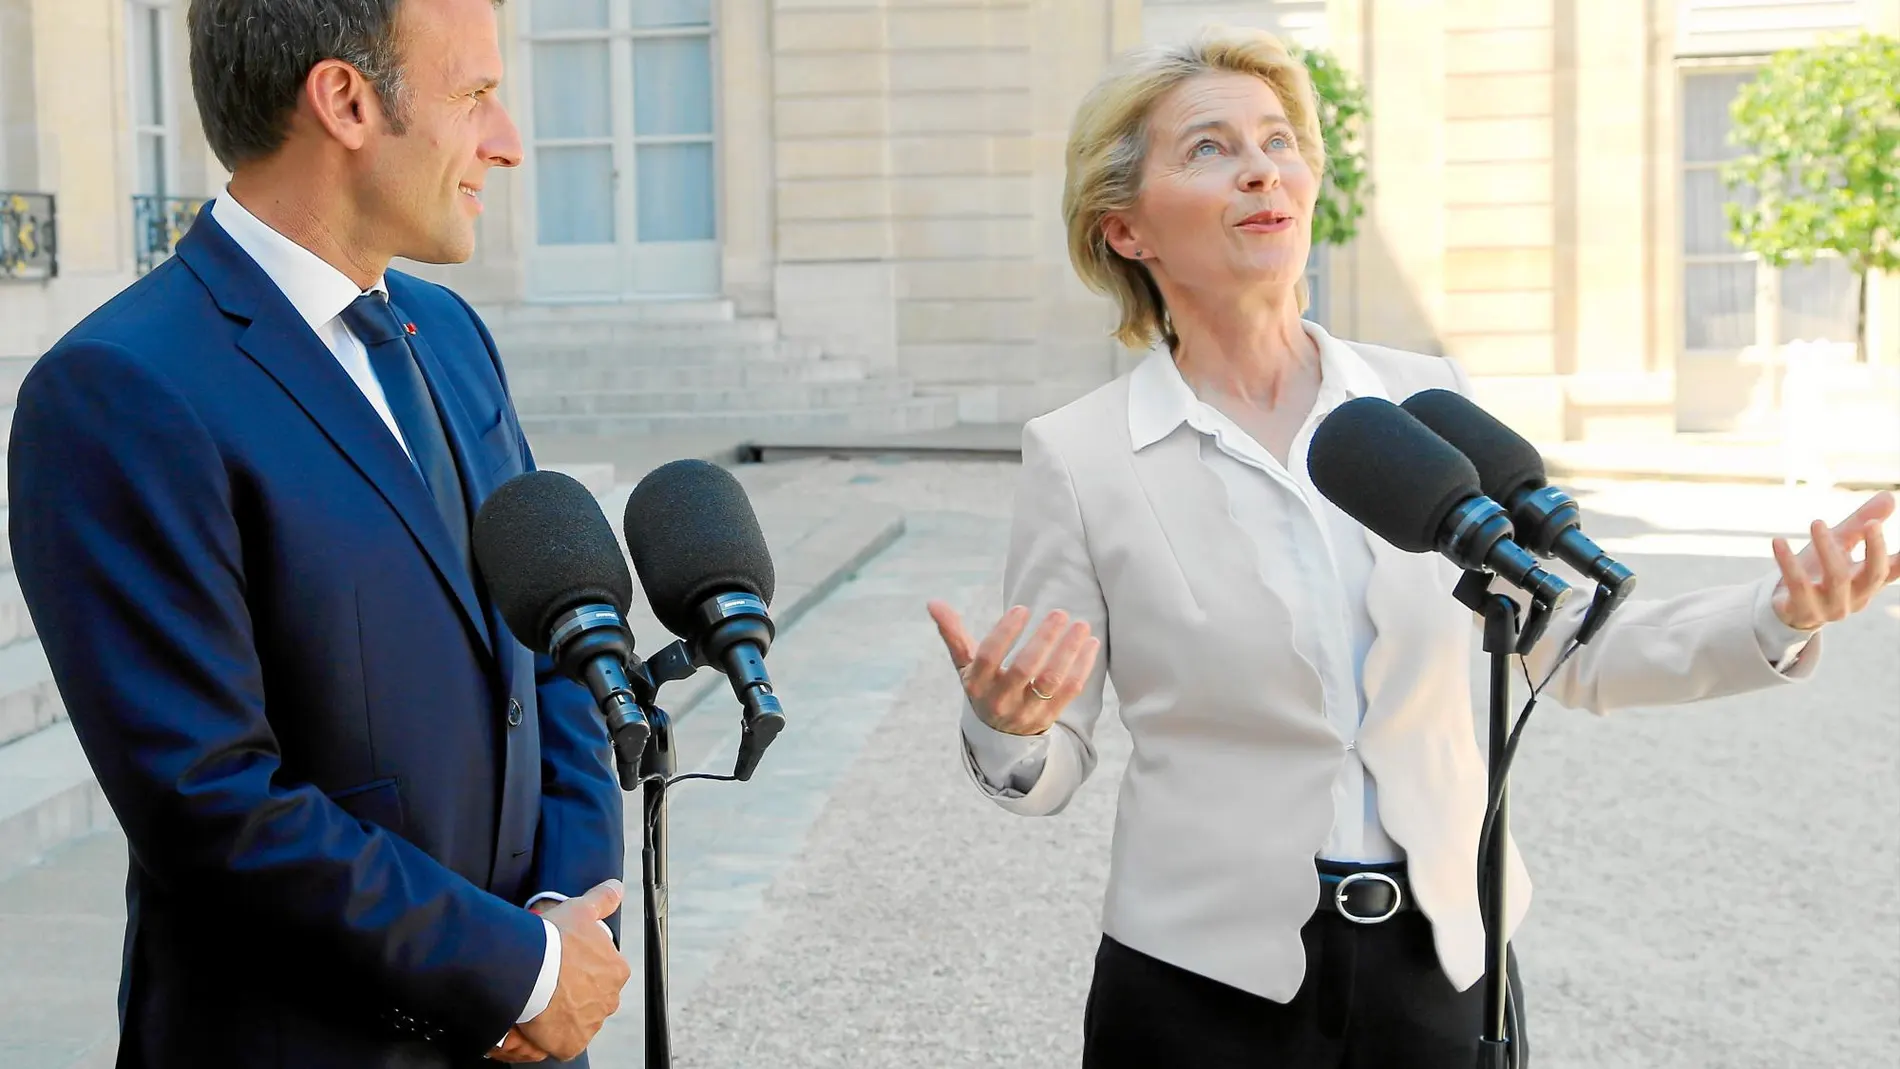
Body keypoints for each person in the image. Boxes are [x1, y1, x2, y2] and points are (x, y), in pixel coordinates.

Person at [925, 26, 1897, 1069]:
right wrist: (1006, 727)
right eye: (1207, 148)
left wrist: (1776, 616)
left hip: (1445, 972)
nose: (1262, 167)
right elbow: (1050, 756)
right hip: (1196, 986)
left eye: (1278, 141)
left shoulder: (1427, 401)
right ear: (1125, 229)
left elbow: (1568, 644)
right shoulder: (1080, 455)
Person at [7, 1, 632, 1064]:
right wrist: (511, 969)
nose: (508, 141)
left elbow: (552, 652)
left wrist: (568, 919)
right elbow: (211, 800)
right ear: (345, 102)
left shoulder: (449, 333)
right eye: (475, 95)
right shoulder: (119, 389)